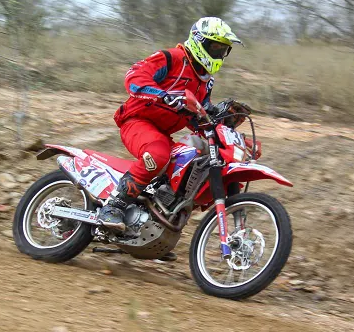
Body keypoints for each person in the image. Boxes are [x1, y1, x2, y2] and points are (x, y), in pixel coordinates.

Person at [99, 17, 247, 229]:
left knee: (191, 165)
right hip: (137, 121)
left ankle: (151, 222)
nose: (219, 54)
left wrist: (221, 120)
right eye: (215, 47)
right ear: (199, 41)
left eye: (223, 50)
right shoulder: (172, 58)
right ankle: (113, 206)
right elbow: (134, 77)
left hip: (162, 133)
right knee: (158, 155)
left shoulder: (206, 80)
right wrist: (163, 95)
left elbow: (199, 116)